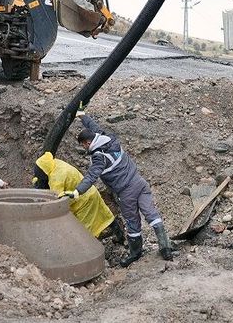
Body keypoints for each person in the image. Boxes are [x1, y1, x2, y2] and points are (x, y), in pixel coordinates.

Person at [64, 108, 175, 267]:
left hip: (126, 192)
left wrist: (77, 192)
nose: (84, 149)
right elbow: (96, 128)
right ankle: (166, 249)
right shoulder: (108, 138)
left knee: (132, 223)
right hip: (140, 182)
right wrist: (82, 115)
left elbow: (91, 176)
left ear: (87, 143)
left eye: (83, 146)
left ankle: (135, 253)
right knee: (152, 215)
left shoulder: (99, 157)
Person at [34, 152, 122, 240]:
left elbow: (55, 200)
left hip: (83, 202)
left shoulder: (56, 178)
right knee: (105, 215)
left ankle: (92, 250)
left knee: (84, 233)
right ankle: (121, 237)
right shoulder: (54, 163)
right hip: (89, 191)